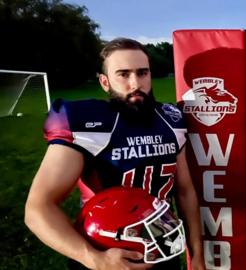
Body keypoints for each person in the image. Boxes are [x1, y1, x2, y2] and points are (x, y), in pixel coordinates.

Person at [25, 38, 205, 270]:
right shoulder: (87, 122)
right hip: (106, 250)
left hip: (161, 244)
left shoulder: (171, 120)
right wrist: (94, 259)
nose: (135, 83)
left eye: (142, 73)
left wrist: (197, 255)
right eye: (123, 74)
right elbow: (38, 208)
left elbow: (185, 191)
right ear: (104, 82)